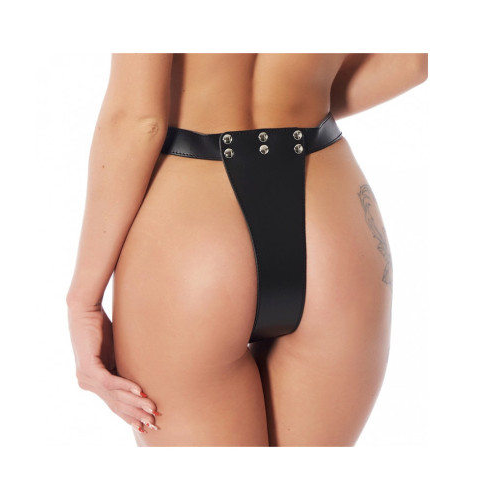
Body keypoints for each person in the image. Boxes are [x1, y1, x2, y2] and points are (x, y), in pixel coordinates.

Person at [66, 53, 428, 446]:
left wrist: (84, 302)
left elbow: (139, 120)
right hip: (329, 219)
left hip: (196, 237)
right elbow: (413, 61)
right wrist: (295, 99)